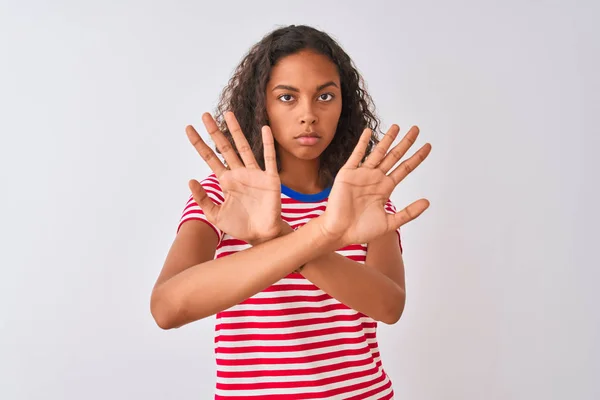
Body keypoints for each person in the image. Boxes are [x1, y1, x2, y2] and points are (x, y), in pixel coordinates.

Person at [150, 24, 432, 399]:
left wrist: (279, 236)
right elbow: (168, 309)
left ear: (343, 105)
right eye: (287, 97)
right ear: (261, 103)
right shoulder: (226, 194)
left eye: (325, 96)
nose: (308, 115)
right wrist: (316, 236)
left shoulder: (361, 197)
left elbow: (388, 305)